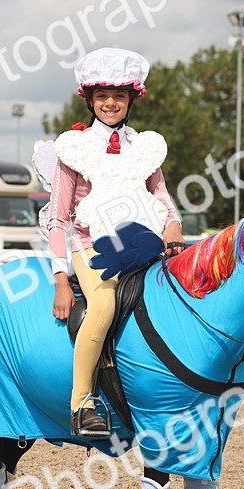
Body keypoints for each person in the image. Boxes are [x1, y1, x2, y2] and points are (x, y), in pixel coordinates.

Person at [47, 48, 185, 437]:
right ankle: (82, 405)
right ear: (90, 101)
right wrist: (61, 279)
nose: (111, 103)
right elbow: (57, 218)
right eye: (103, 96)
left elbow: (163, 200)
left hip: (140, 247)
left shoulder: (144, 149)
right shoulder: (73, 149)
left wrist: (174, 226)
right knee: (104, 305)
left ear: (130, 100)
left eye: (119, 96)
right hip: (90, 248)